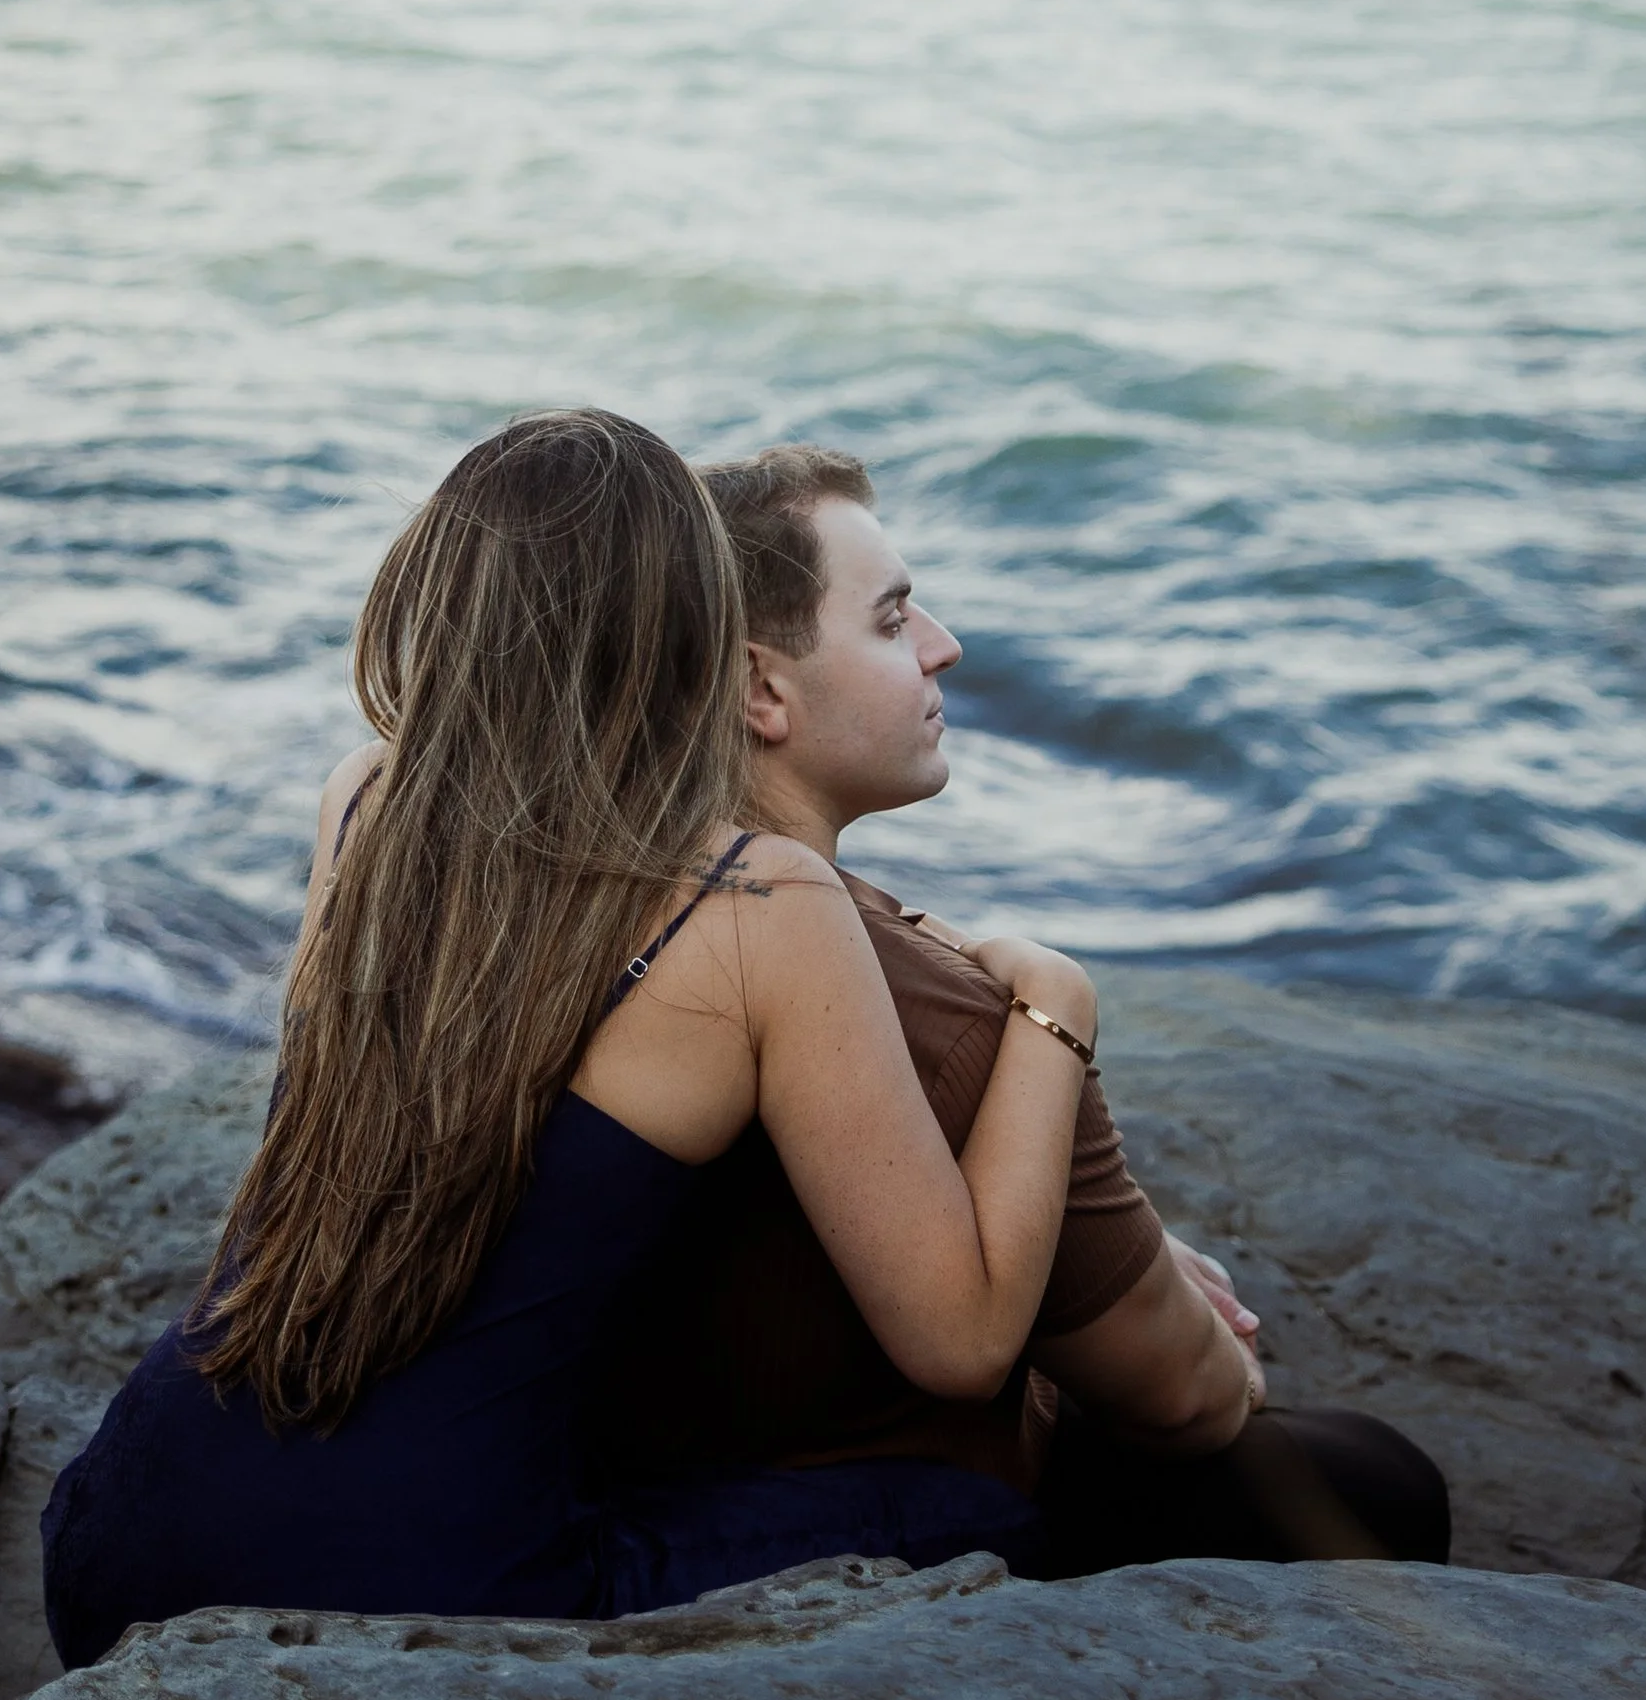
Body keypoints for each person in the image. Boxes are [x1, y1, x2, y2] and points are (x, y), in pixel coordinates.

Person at [39, 409, 1112, 1660]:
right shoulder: (759, 900)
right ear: (694, 631)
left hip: (118, 1537)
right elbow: (964, 1339)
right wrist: (1051, 1003)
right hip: (408, 1591)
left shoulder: (366, 801)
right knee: (985, 1512)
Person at [586, 444, 1449, 1572]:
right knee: (1377, 1480)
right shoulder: (945, 1016)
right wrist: (1185, 1329)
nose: (945, 645)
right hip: (859, 1519)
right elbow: (1185, 1396)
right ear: (761, 690)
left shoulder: (576, 893)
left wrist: (1093, 1251)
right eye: (893, 621)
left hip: (628, 1459)